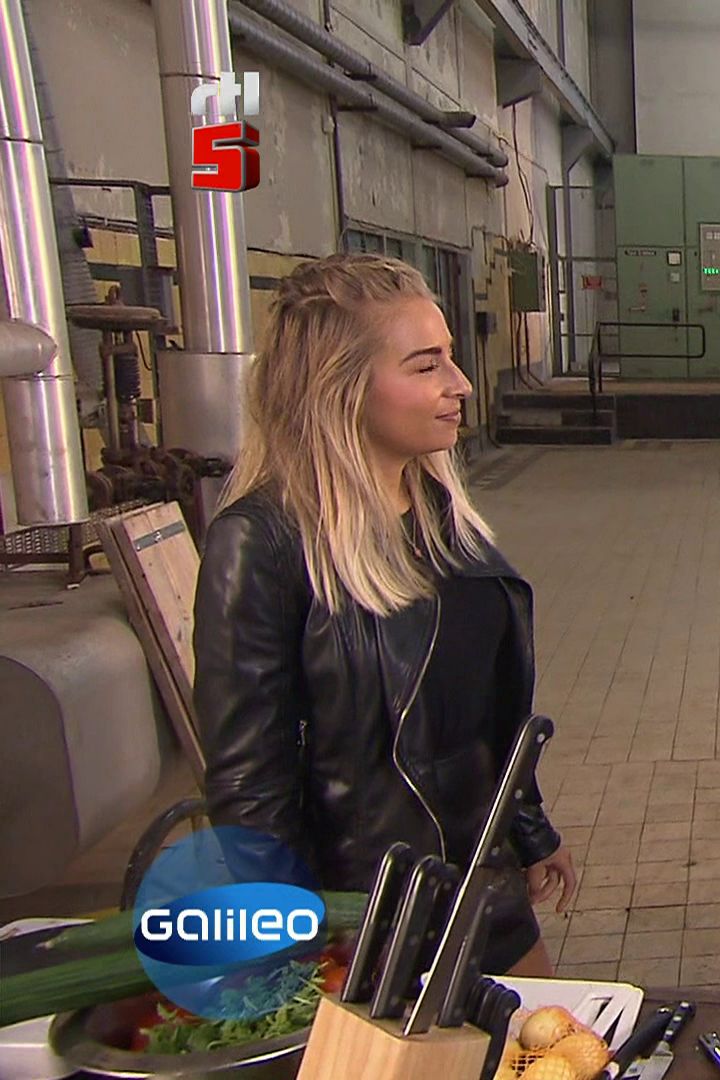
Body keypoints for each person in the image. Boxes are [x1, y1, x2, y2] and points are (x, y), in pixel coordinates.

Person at [193, 253, 577, 976]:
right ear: (337, 386)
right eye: (426, 365)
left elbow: (485, 718)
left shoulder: (443, 517)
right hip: (365, 919)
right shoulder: (264, 543)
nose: (460, 384)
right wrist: (297, 945)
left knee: (547, 1032)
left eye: (450, 357)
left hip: (481, 886)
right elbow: (250, 788)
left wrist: (528, 830)